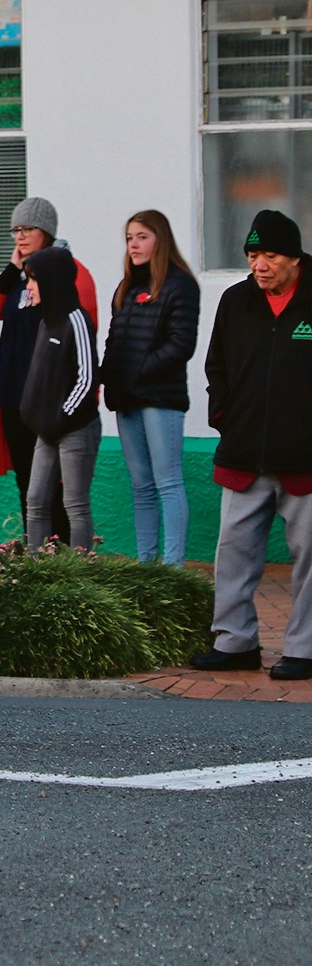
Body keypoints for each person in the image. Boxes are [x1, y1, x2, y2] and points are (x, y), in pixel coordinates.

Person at [192, 210, 312, 681]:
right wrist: (224, 416)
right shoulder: (235, 300)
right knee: (234, 553)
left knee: (309, 558)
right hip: (243, 453)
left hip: (304, 459)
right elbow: (216, 365)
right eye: (253, 254)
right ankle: (234, 642)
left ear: (295, 257)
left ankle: (304, 649)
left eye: (271, 255)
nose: (259, 265)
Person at [0, 196, 98, 520]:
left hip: (50, 399)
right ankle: (35, 550)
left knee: (57, 489)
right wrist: (12, 269)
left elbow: (83, 333)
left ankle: (61, 550)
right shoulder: (21, 276)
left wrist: (70, 402)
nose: (19, 236)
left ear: (45, 231)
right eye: (15, 230)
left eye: (27, 229)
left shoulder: (70, 271)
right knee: (27, 485)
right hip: (15, 396)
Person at [103, 210, 200, 565]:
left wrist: (137, 373)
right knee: (141, 485)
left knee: (168, 481)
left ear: (161, 239)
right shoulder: (127, 287)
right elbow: (114, 341)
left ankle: (173, 568)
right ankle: (147, 566)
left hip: (161, 399)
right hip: (126, 399)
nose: (134, 245)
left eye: (142, 237)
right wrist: (107, 377)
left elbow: (181, 344)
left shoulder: (180, 284)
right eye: (130, 238)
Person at [19, 245, 100, 551]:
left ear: (52, 281)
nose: (29, 287)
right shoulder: (45, 322)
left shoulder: (76, 321)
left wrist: (61, 416)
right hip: (47, 429)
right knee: (36, 500)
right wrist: (36, 414)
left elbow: (88, 377)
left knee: (75, 504)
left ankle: (81, 571)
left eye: (34, 280)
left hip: (75, 428)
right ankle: (35, 568)